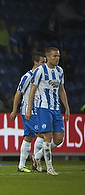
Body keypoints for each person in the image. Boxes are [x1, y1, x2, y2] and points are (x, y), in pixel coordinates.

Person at [26, 47, 70, 175]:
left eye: (58, 56)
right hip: (43, 107)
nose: (57, 58)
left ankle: (37, 156)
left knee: (59, 139)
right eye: (55, 56)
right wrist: (29, 109)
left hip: (56, 109)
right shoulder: (40, 71)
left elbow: (61, 90)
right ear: (48, 58)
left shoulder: (60, 71)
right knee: (48, 137)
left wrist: (66, 107)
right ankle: (50, 168)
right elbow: (32, 90)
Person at [9, 52, 46, 173]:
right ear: (36, 62)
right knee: (43, 135)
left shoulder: (41, 77)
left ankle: (21, 166)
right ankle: (36, 159)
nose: (44, 65)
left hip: (37, 110)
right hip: (28, 112)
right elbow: (18, 93)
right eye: (42, 62)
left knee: (28, 137)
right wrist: (14, 110)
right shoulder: (28, 76)